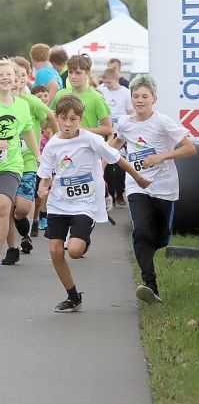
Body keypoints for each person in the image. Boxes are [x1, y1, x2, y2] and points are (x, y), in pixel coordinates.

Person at [37, 94, 151, 313]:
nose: (68, 124)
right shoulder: (52, 145)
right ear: (57, 119)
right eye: (63, 119)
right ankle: (73, 296)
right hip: (59, 203)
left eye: (73, 119)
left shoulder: (90, 139)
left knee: (76, 251)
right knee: (55, 251)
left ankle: (84, 235)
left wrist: (138, 178)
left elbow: (117, 158)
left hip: (84, 203)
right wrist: (43, 186)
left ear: (80, 119)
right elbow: (47, 173)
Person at [111, 75, 197, 304]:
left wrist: (161, 156)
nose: (139, 100)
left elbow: (189, 149)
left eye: (144, 96)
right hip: (137, 185)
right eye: (135, 96)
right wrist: (99, 159)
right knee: (140, 231)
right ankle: (150, 285)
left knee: (159, 239)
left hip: (164, 188)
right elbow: (116, 144)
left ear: (154, 99)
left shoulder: (163, 122)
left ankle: (159, 241)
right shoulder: (125, 122)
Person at [0, 59, 40, 280]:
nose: (5, 78)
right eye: (0, 75)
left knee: (2, 208)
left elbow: (29, 131)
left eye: (9, 74)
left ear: (16, 79)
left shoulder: (22, 105)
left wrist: (39, 156)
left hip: (11, 165)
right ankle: (8, 225)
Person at [3, 62, 57, 266]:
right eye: (11, 78)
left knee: (22, 209)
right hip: (5, 162)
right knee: (5, 207)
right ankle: (12, 248)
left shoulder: (30, 101)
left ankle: (22, 226)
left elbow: (50, 116)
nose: (15, 82)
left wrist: (56, 139)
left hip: (27, 161)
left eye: (18, 78)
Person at [51, 54, 112, 137]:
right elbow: (51, 119)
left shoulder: (97, 98)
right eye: (70, 72)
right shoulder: (60, 94)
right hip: (63, 145)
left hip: (86, 146)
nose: (73, 77)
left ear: (88, 74)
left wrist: (84, 130)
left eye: (78, 73)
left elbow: (108, 129)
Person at [99, 67, 134, 207]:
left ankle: (120, 194)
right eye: (105, 82)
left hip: (120, 133)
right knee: (105, 164)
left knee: (119, 164)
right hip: (106, 132)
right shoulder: (101, 90)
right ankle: (109, 195)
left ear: (117, 79)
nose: (107, 85)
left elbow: (131, 112)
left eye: (110, 83)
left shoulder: (125, 93)